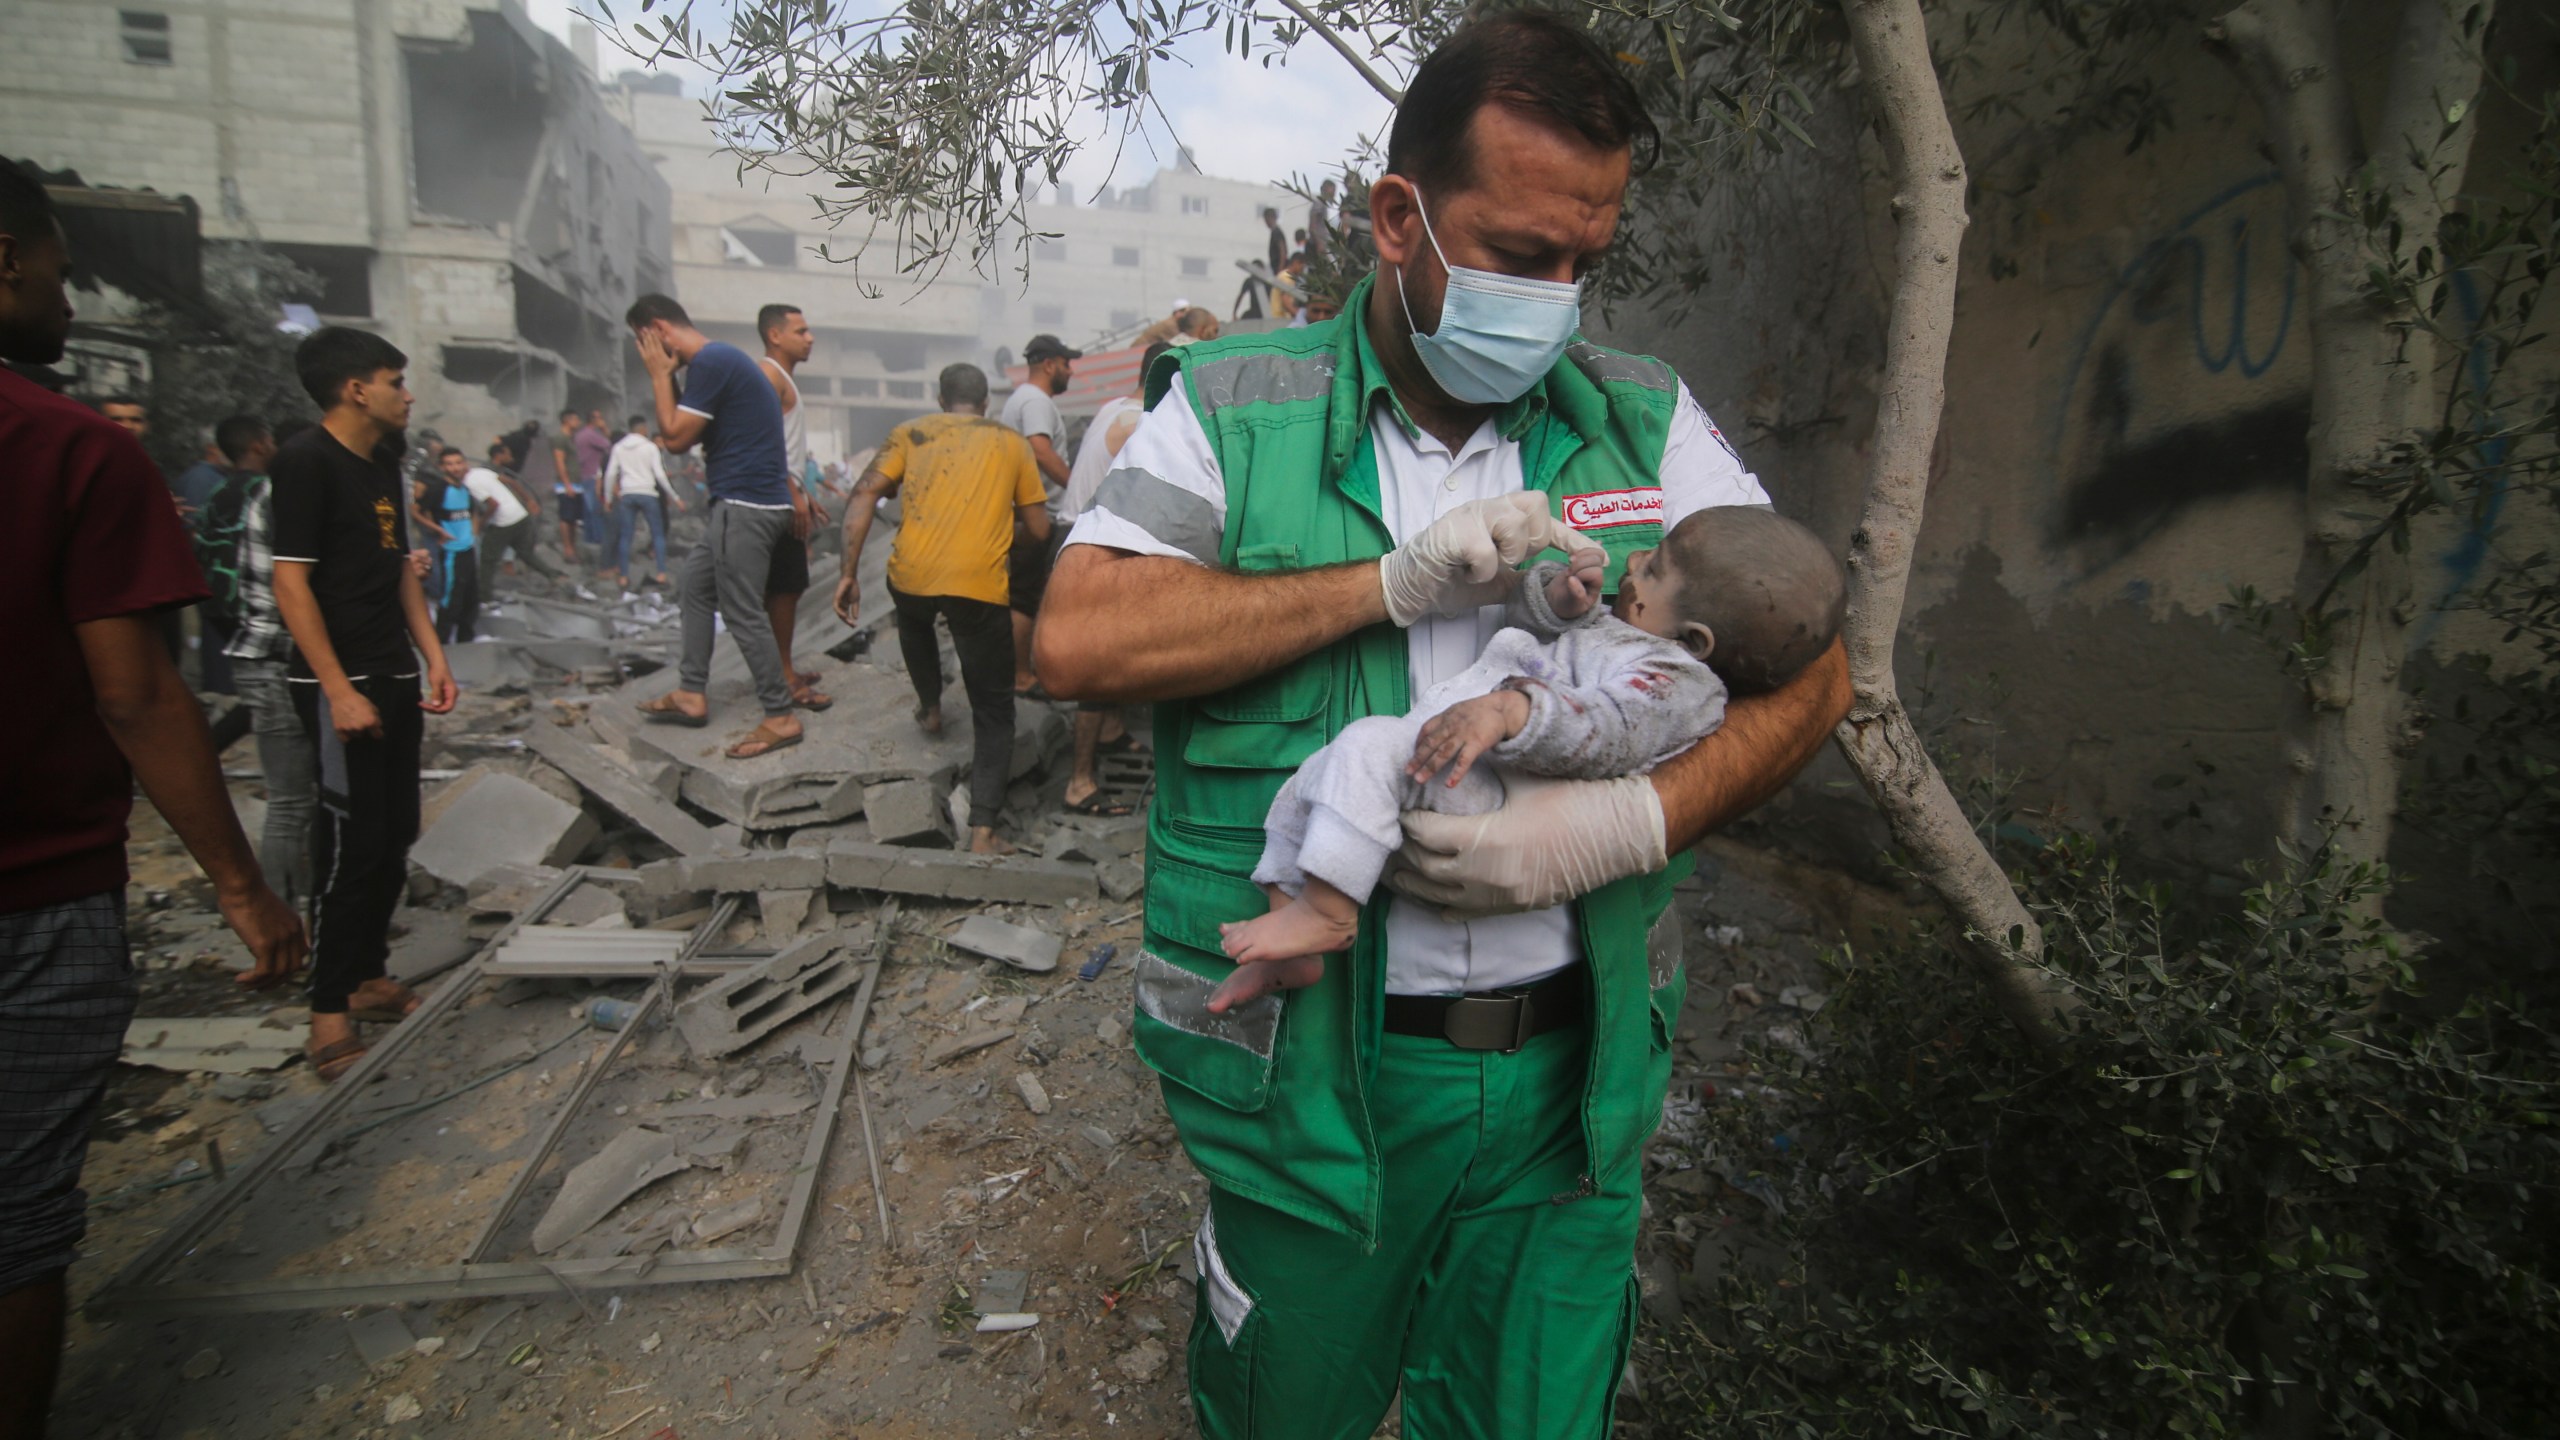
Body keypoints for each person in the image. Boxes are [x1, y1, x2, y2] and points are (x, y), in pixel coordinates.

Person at [1031, 15, 1853, 1436]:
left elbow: (1816, 671)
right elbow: (1079, 639)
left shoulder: (1639, 421)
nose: (1557, 298)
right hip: (1319, 1088)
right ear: (1399, 217)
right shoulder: (1238, 410)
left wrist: (1631, 819)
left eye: (1585, 264)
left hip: (1567, 1087)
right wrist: (1389, 584)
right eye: (1523, 256)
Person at [1, 159, 304, 1438]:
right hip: (35, 886)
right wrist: (241, 883)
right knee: (19, 1217)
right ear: (7, 261)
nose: (71, 299)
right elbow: (135, 696)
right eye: (63, 271)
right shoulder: (67, 448)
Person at [1216, 507, 1845, 1004]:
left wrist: (1513, 711)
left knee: (1366, 748)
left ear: (1696, 639)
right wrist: (1561, 602)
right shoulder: (1630, 632)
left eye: (1653, 569)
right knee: (1314, 782)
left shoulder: (1673, 684)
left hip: (1502, 788)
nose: (1633, 558)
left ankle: (1329, 913)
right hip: (1469, 749)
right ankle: (1289, 939)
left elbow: (1608, 727)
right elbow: (1534, 633)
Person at [269, 326, 460, 1082]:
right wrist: (338, 690)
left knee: (394, 832)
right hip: (334, 685)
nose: (406, 393)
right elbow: (292, 584)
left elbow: (398, 570)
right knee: (348, 846)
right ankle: (326, 1016)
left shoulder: (383, 463)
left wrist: (433, 654)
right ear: (356, 389)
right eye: (394, 380)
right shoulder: (304, 463)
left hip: (391, 672)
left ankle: (368, 974)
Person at [832, 364, 1049, 854]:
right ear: (986, 404)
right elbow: (1038, 530)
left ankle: (930, 708)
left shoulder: (911, 433)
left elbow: (864, 491)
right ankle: (984, 833)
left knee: (915, 621)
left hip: (911, 573)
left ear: (940, 398)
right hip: (976, 585)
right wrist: (998, 537)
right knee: (993, 710)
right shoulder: (1012, 443)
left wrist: (847, 572)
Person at [624, 293, 803, 760]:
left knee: (743, 610)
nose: (643, 354)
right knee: (695, 587)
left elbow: (676, 439)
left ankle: (780, 716)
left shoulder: (711, 361)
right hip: (755, 504)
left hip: (745, 506)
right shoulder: (721, 361)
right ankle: (690, 692)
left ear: (658, 332)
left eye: (642, 343)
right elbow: (685, 428)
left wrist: (660, 375)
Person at [217, 417, 321, 913]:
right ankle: (282, 915)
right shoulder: (287, 497)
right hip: (274, 659)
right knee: (290, 801)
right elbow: (295, 594)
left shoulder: (284, 492)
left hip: (280, 658)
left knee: (305, 797)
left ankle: (304, 902)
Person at [1054, 341, 1162, 818]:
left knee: (1115, 645)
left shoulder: (1113, 406)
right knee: (1096, 665)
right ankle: (1079, 783)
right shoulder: (1143, 422)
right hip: (1089, 542)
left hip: (1075, 529)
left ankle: (1113, 731)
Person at [754, 303, 831, 711]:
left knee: (786, 588)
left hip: (784, 492)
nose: (810, 338)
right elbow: (763, 440)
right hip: (774, 497)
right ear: (775, 335)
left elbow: (785, 444)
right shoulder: (769, 375)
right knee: (783, 588)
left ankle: (784, 667)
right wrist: (791, 491)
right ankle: (782, 676)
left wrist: (805, 489)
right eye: (800, 331)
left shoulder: (782, 378)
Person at [1000, 332, 1079, 695]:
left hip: (1027, 511)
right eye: (1066, 364)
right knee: (1026, 598)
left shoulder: (1023, 398)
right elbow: (1041, 451)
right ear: (1049, 364)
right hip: (1037, 513)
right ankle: (1020, 676)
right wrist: (1078, 485)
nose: (1070, 372)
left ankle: (1022, 669)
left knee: (1027, 595)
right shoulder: (1035, 401)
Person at [604, 415, 682, 586]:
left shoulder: (618, 447)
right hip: (648, 493)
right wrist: (674, 496)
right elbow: (659, 474)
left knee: (626, 536)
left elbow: (610, 474)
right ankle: (661, 572)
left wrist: (608, 497)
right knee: (658, 534)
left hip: (627, 493)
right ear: (643, 428)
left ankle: (623, 576)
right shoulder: (650, 447)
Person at [467, 440, 555, 581]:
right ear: (498, 455)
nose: (511, 457)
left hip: (502, 514)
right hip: (492, 514)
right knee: (488, 551)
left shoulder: (499, 471)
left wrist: (529, 500)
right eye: (507, 453)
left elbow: (512, 483)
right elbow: (492, 501)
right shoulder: (487, 471)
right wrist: (481, 522)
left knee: (514, 546)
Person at [427, 448, 481, 643]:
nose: (455, 467)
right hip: (452, 552)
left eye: (458, 463)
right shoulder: (438, 489)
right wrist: (438, 531)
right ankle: (440, 642)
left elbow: (472, 512)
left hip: (468, 549)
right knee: (452, 597)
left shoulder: (464, 489)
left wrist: (473, 533)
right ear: (442, 467)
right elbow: (416, 511)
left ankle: (465, 639)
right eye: (450, 464)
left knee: (471, 597)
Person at [546, 409, 587, 567]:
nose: (578, 423)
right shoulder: (559, 438)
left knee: (575, 518)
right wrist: (566, 484)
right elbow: (559, 462)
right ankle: (568, 549)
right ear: (566, 420)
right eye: (575, 419)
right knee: (566, 517)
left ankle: (573, 547)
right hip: (566, 484)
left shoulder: (572, 438)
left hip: (577, 483)